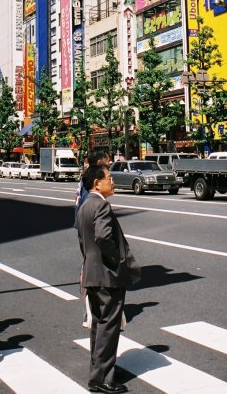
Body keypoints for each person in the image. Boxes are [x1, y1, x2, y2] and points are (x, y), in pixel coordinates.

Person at [77, 163, 140, 394]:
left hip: (92, 273)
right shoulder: (101, 206)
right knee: (108, 326)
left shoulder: (84, 205)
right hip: (106, 274)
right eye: (109, 178)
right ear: (97, 183)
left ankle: (100, 371)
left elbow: (84, 241)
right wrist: (116, 260)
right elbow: (104, 237)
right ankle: (102, 378)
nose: (112, 182)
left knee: (98, 326)